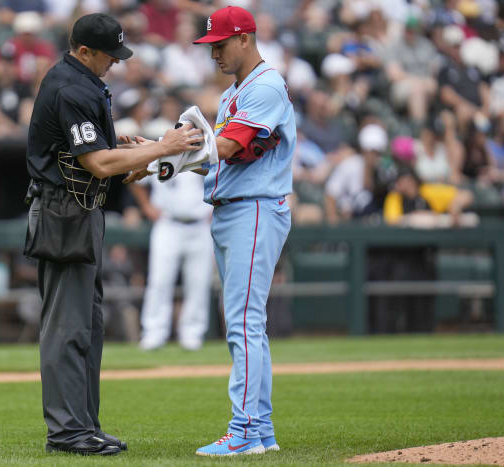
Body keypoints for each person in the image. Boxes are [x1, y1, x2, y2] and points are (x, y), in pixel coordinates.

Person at [24, 13, 202, 456]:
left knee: (88, 324)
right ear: (84, 51)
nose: (115, 63)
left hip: (80, 210)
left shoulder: (82, 81)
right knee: (68, 326)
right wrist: (165, 146)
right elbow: (99, 164)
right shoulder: (70, 86)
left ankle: (84, 425)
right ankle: (66, 432)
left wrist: (129, 146)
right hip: (62, 212)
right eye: (109, 55)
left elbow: (94, 151)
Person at [190, 6, 295, 457]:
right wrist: (159, 155)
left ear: (245, 39)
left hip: (253, 209)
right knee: (247, 323)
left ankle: (246, 430)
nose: (214, 52)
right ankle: (262, 430)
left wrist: (166, 153)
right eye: (210, 45)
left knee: (243, 323)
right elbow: (224, 154)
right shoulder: (238, 90)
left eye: (220, 44)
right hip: (236, 207)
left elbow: (228, 145)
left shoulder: (266, 86)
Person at [128, 172, 213, 351]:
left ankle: (193, 333)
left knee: (199, 282)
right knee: (159, 280)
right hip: (168, 223)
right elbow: (135, 177)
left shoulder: (205, 146)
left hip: (201, 223)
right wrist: (146, 206)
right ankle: (154, 332)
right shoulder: (162, 147)